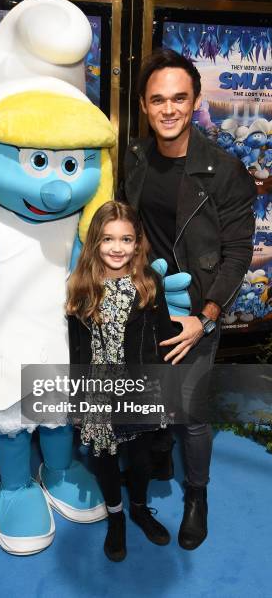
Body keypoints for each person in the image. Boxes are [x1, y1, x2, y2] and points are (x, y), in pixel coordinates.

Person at [118, 48, 256, 550]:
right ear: (144, 105)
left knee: (192, 413)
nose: (169, 109)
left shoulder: (223, 171)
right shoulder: (134, 159)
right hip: (143, 305)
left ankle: (197, 495)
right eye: (158, 100)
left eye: (180, 97)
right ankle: (154, 457)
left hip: (196, 312)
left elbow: (239, 251)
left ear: (195, 100)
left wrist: (207, 315)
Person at [66, 200, 180, 562]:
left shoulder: (150, 282)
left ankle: (141, 508)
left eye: (126, 239)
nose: (117, 248)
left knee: (142, 456)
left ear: (137, 242)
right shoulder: (82, 285)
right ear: (95, 243)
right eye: (108, 239)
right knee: (105, 457)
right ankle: (116, 518)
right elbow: (78, 350)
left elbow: (163, 339)